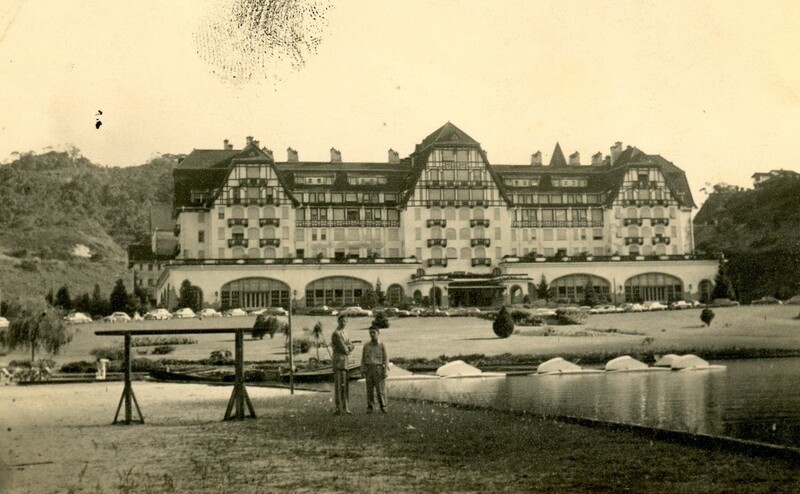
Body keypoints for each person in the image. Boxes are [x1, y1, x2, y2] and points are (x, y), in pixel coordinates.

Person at [361, 327, 388, 413]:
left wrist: (385, 370)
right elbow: (363, 358)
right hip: (369, 368)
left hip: (378, 369)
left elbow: (386, 358)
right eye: (370, 333)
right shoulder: (366, 345)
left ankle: (383, 406)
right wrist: (362, 369)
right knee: (369, 390)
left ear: (378, 333)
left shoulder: (382, 345)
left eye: (374, 332)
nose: (372, 334)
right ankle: (370, 406)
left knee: (380, 389)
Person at [331, 315, 354, 415]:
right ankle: (339, 408)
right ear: (338, 321)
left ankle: (346, 407)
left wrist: (349, 347)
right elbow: (345, 349)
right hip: (338, 362)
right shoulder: (336, 334)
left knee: (345, 385)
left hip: (345, 362)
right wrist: (348, 347)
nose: (343, 323)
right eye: (341, 321)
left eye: (345, 321)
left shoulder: (345, 333)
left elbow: (351, 345)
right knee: (339, 386)